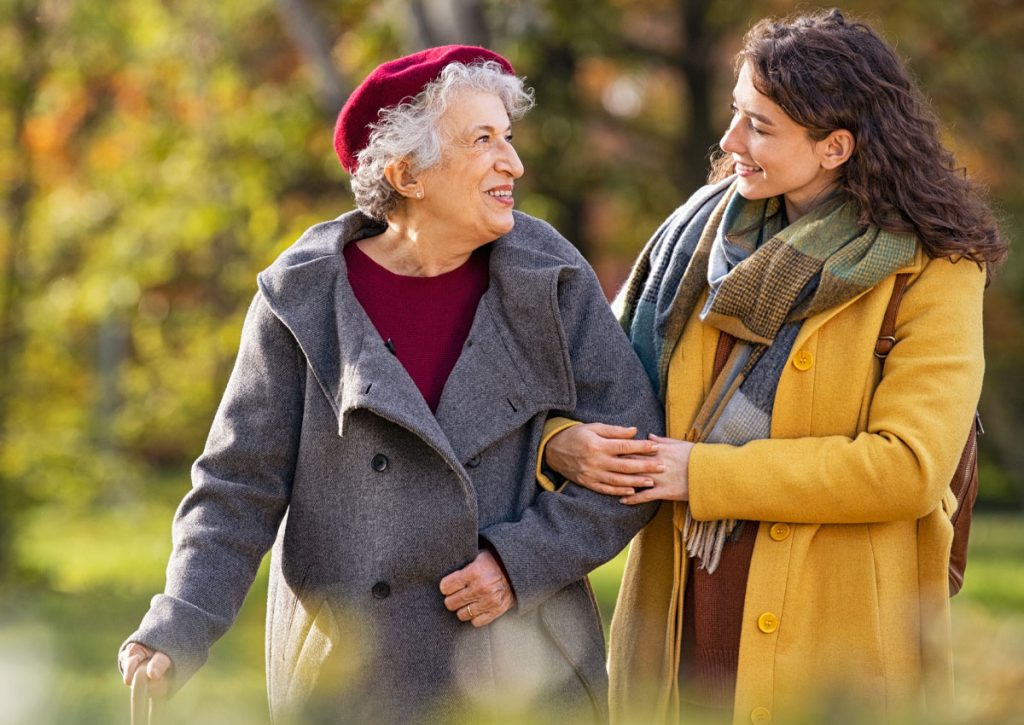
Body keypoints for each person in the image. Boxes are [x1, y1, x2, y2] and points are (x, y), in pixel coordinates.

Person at [118, 45, 662, 724]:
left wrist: (520, 561)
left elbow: (638, 454)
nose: (513, 163)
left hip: (526, 671)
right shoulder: (302, 299)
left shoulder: (549, 276)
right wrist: (177, 623)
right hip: (356, 680)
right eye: (483, 140)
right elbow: (237, 488)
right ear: (407, 173)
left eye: (509, 138)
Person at [542, 9, 1007, 724]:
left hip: (835, 642)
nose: (730, 143)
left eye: (759, 126)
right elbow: (590, 384)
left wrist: (703, 474)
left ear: (835, 146)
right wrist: (560, 441)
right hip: (678, 625)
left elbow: (908, 467)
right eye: (735, 115)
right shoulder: (694, 246)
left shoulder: (933, 271)